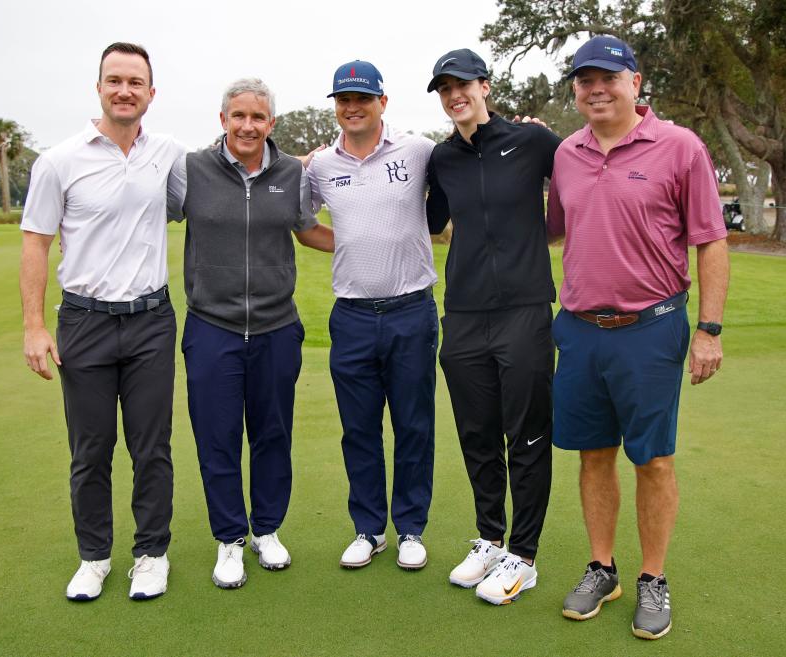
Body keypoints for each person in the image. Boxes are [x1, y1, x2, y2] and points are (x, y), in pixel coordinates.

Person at [546, 35, 729, 639]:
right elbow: (550, 229)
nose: (596, 89)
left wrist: (708, 329)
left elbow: (711, 239)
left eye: (608, 78)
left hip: (650, 329)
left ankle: (653, 577)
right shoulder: (566, 153)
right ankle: (603, 567)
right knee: (592, 453)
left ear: (635, 82)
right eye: (584, 80)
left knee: (652, 458)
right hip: (578, 330)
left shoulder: (680, 147)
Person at [20, 42, 185, 601]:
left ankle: (151, 554)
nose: (124, 90)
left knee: (151, 446)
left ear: (151, 93)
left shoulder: (168, 153)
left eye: (135, 82)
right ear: (99, 87)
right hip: (85, 323)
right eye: (114, 80)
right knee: (90, 450)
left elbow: (231, 171)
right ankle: (93, 557)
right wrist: (34, 326)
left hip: (151, 320)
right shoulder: (60, 160)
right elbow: (37, 243)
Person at [166, 78, 333, 589]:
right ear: (223, 120)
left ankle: (267, 529)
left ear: (271, 124)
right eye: (238, 115)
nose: (247, 125)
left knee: (272, 434)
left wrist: (377, 238)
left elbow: (307, 229)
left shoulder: (291, 173)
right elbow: (144, 213)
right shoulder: (190, 170)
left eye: (257, 117)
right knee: (217, 438)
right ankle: (230, 539)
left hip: (276, 328)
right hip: (211, 327)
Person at [424, 48, 562, 605]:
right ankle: (489, 538)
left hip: (525, 312)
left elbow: (585, 173)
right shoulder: (442, 158)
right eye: (444, 89)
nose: (454, 95)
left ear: (484, 85)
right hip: (462, 315)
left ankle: (522, 557)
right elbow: (429, 221)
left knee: (526, 435)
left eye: (463, 85)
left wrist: (543, 237)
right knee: (477, 434)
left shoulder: (531, 141)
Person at [305, 61, 439, 571]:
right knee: (358, 428)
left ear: (383, 101)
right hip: (353, 316)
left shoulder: (418, 150)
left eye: (362, 98)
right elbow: (303, 225)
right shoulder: (319, 165)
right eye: (343, 99)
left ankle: (410, 528)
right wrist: (354, 245)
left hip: (412, 310)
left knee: (413, 425)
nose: (352, 107)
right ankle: (368, 528)